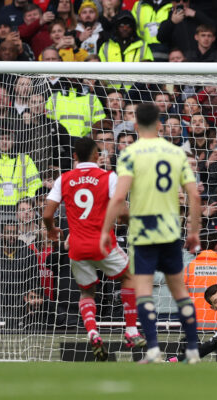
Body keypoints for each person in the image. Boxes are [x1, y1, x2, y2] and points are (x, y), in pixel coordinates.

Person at [99, 103, 202, 364]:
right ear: (160, 125)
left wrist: (105, 230)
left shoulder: (129, 154)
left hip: (143, 233)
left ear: (135, 126)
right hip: (170, 231)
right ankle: (192, 349)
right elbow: (194, 193)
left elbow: (119, 196)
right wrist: (193, 231)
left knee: (143, 292)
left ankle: (154, 350)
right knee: (180, 292)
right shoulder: (175, 152)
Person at [43, 137, 146, 361]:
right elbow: (123, 212)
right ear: (97, 156)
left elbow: (47, 214)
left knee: (87, 291)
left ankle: (92, 331)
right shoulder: (108, 177)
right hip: (103, 243)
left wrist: (52, 230)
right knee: (129, 279)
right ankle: (130, 332)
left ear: (74, 157)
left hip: (77, 246)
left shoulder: (64, 179)